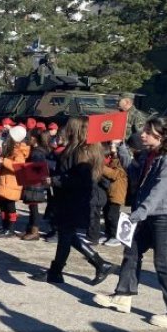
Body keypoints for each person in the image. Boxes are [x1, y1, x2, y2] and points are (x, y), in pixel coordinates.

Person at [93, 117, 167, 325]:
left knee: (164, 263)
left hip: (164, 216)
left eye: (148, 131)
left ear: (162, 136)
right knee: (132, 251)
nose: (142, 134)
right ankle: (122, 296)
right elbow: (132, 173)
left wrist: (140, 212)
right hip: (144, 213)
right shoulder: (148, 155)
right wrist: (120, 149)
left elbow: (160, 190)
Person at [31, 117, 113, 285]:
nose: (65, 129)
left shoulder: (82, 151)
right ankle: (98, 264)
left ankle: (58, 272)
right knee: (66, 235)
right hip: (70, 198)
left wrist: (54, 181)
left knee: (65, 236)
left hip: (74, 200)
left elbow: (79, 179)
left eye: (68, 127)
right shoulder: (79, 149)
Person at [0, 126, 29, 238]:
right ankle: (4, 227)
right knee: (2, 204)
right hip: (5, 181)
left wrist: (4, 161)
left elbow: (17, 167)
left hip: (11, 183)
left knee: (10, 206)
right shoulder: (12, 148)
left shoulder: (19, 151)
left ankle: (10, 229)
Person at [20, 128, 51, 241]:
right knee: (32, 206)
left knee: (34, 207)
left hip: (35, 183)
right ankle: (30, 228)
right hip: (35, 183)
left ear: (34, 138)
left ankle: (35, 231)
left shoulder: (37, 152)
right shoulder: (39, 150)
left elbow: (37, 169)